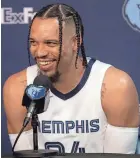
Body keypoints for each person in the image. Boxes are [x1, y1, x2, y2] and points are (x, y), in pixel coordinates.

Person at [3, 3, 139, 154]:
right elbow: (25, 155)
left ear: (76, 42)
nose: (39, 52)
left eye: (50, 43)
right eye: (33, 42)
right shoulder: (18, 87)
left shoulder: (115, 87)